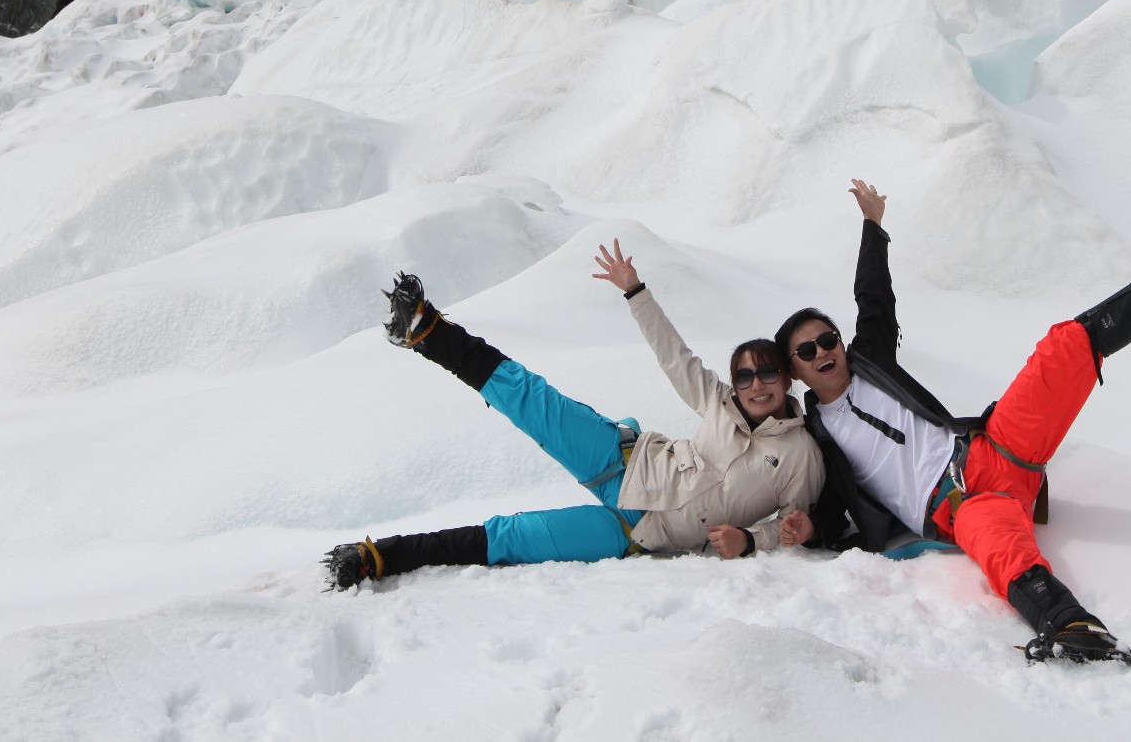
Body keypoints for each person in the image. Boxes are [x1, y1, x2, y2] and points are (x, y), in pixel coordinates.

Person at [776, 181, 1131, 664]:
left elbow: (873, 297)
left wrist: (873, 225)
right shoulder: (816, 435)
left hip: (992, 446)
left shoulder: (870, 360)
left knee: (1062, 348)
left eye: (827, 340)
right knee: (1002, 553)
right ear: (794, 370)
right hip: (962, 506)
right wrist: (808, 529)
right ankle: (1073, 626)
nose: (822, 351)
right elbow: (828, 502)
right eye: (807, 350)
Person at [324, 240, 823, 589]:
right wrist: (636, 292)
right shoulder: (719, 402)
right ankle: (426, 330)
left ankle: (380, 556)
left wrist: (750, 541)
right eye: (745, 375)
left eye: (768, 374)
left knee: (512, 537)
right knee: (529, 399)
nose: (756, 384)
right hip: (627, 461)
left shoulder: (798, 452)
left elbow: (792, 525)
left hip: (636, 534)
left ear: (787, 379)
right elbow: (675, 356)